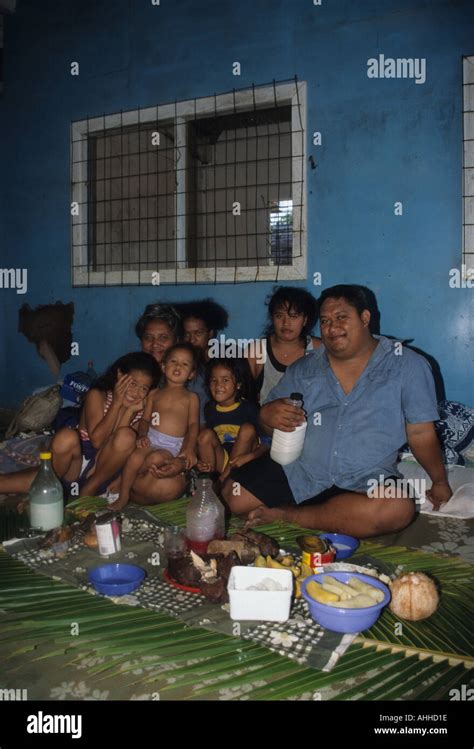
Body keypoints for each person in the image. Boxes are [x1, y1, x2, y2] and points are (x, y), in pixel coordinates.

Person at [222, 285, 453, 538]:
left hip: (366, 479)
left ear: (365, 318)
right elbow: (266, 421)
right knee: (233, 497)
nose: (332, 328)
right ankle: (328, 515)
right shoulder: (304, 368)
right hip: (302, 470)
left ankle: (289, 515)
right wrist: (267, 416)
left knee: (396, 509)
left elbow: (420, 433)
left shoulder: (407, 365)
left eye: (341, 317)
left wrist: (439, 482)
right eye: (325, 321)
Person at [0, 352, 161, 499]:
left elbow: (116, 445)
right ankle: (48, 487)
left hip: (101, 474)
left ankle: (87, 491)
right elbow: (97, 440)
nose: (136, 393)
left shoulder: (140, 411)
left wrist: (129, 412)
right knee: (65, 437)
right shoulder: (98, 395)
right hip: (73, 465)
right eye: (132, 384)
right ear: (120, 375)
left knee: (126, 436)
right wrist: (118, 404)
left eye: (144, 388)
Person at [110, 344, 200, 510]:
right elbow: (144, 420)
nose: (178, 366)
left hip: (172, 446)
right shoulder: (154, 394)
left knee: (155, 458)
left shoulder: (191, 398)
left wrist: (189, 448)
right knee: (135, 458)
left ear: (191, 374)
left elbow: (194, 425)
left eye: (185, 364)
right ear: (164, 367)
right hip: (151, 439)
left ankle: (130, 482)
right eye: (174, 361)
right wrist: (142, 435)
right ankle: (123, 494)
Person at [197, 358, 268, 483]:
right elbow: (209, 445)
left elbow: (267, 443)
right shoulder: (209, 409)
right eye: (214, 380)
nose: (218, 385)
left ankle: (223, 481)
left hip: (245, 461)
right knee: (205, 435)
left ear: (238, 384)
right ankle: (208, 483)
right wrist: (200, 462)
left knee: (247, 428)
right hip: (223, 461)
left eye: (225, 380)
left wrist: (249, 457)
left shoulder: (249, 408)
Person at [246, 285, 321, 402]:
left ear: (305, 320)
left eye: (293, 316)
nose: (286, 323)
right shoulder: (257, 351)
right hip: (266, 419)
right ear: (272, 318)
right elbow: (243, 399)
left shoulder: (318, 348)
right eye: (279, 316)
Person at [174, 299, 229, 423]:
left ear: (210, 333)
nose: (192, 340)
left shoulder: (226, 358)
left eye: (198, 333)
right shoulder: (179, 361)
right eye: (186, 334)